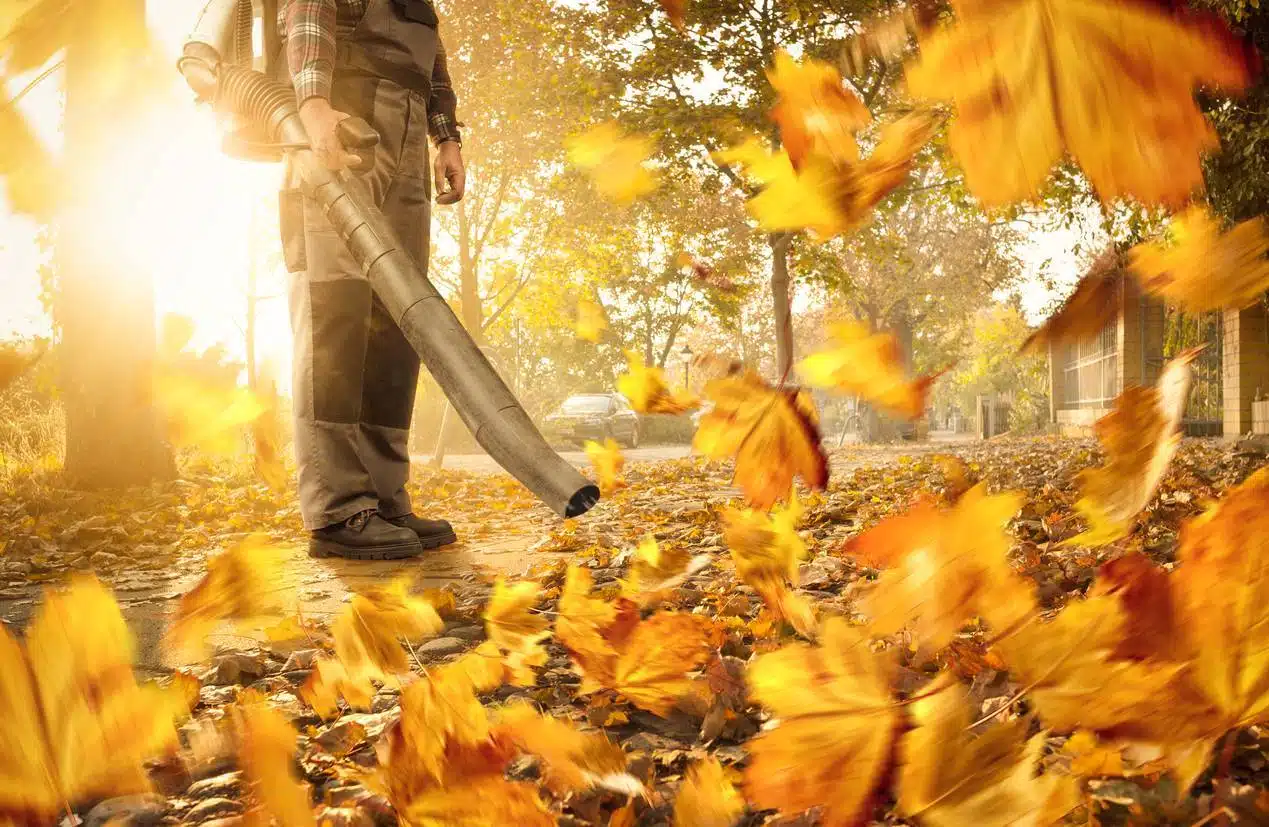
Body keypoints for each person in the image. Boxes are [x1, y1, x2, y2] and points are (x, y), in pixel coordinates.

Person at [278, 0, 464, 559]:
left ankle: (383, 497)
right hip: (343, 118)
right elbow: (308, 11)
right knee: (336, 308)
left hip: (406, 122)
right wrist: (312, 105)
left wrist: (446, 136)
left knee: (397, 318)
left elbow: (432, 57)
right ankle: (338, 508)